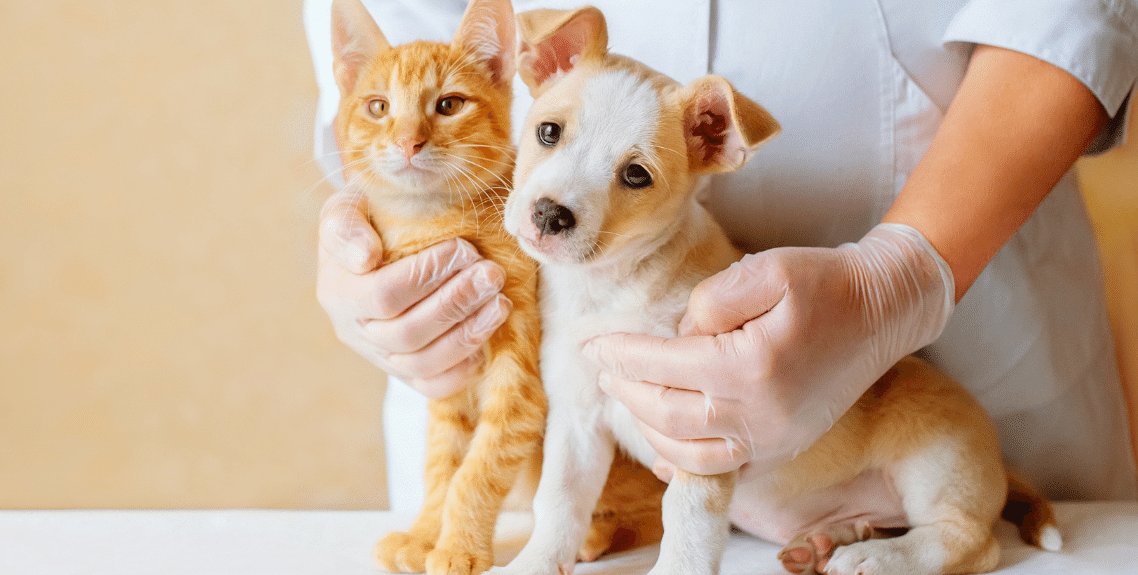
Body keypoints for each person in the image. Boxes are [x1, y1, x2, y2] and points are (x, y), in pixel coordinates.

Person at [305, 0, 1138, 514]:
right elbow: (394, 56)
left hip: (973, 298)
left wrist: (905, 276)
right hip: (517, 396)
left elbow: (1064, 16)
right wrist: (370, 235)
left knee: (963, 511)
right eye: (550, 132)